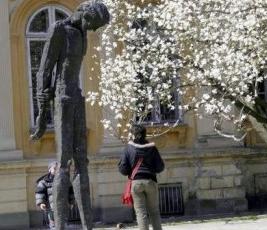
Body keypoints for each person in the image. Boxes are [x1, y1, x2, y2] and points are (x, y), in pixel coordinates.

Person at [29, 1, 110, 229]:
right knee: (64, 162)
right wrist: (41, 114)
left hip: (77, 97)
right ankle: (61, 226)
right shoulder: (59, 29)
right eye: (93, 23)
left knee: (82, 161)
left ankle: (88, 226)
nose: (92, 29)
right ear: (84, 14)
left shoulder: (82, 32)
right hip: (62, 99)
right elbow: (44, 71)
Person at [118, 124, 165, 230]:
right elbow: (160, 167)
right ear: (145, 134)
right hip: (150, 181)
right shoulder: (152, 148)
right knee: (154, 212)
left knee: (141, 213)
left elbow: (123, 169)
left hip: (136, 183)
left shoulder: (128, 148)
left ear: (133, 135)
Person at [35, 161, 74, 229]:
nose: (57, 170)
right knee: (53, 225)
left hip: (63, 207)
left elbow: (70, 191)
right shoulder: (44, 181)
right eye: (55, 168)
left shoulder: (65, 180)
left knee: (63, 224)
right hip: (51, 208)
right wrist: (41, 203)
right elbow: (40, 192)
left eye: (59, 169)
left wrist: (71, 202)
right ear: (50, 169)